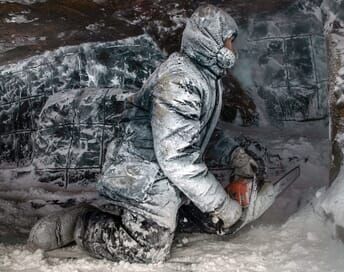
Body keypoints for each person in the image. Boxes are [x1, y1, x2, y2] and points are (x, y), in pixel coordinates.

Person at [28, 4, 258, 263]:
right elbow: (177, 158)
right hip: (142, 174)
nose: (232, 50)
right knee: (147, 249)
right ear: (210, 41)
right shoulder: (180, 81)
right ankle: (83, 223)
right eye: (228, 42)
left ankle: (172, 216)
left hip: (162, 172)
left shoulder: (202, 76)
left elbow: (199, 129)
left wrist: (234, 155)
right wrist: (221, 205)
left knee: (205, 219)